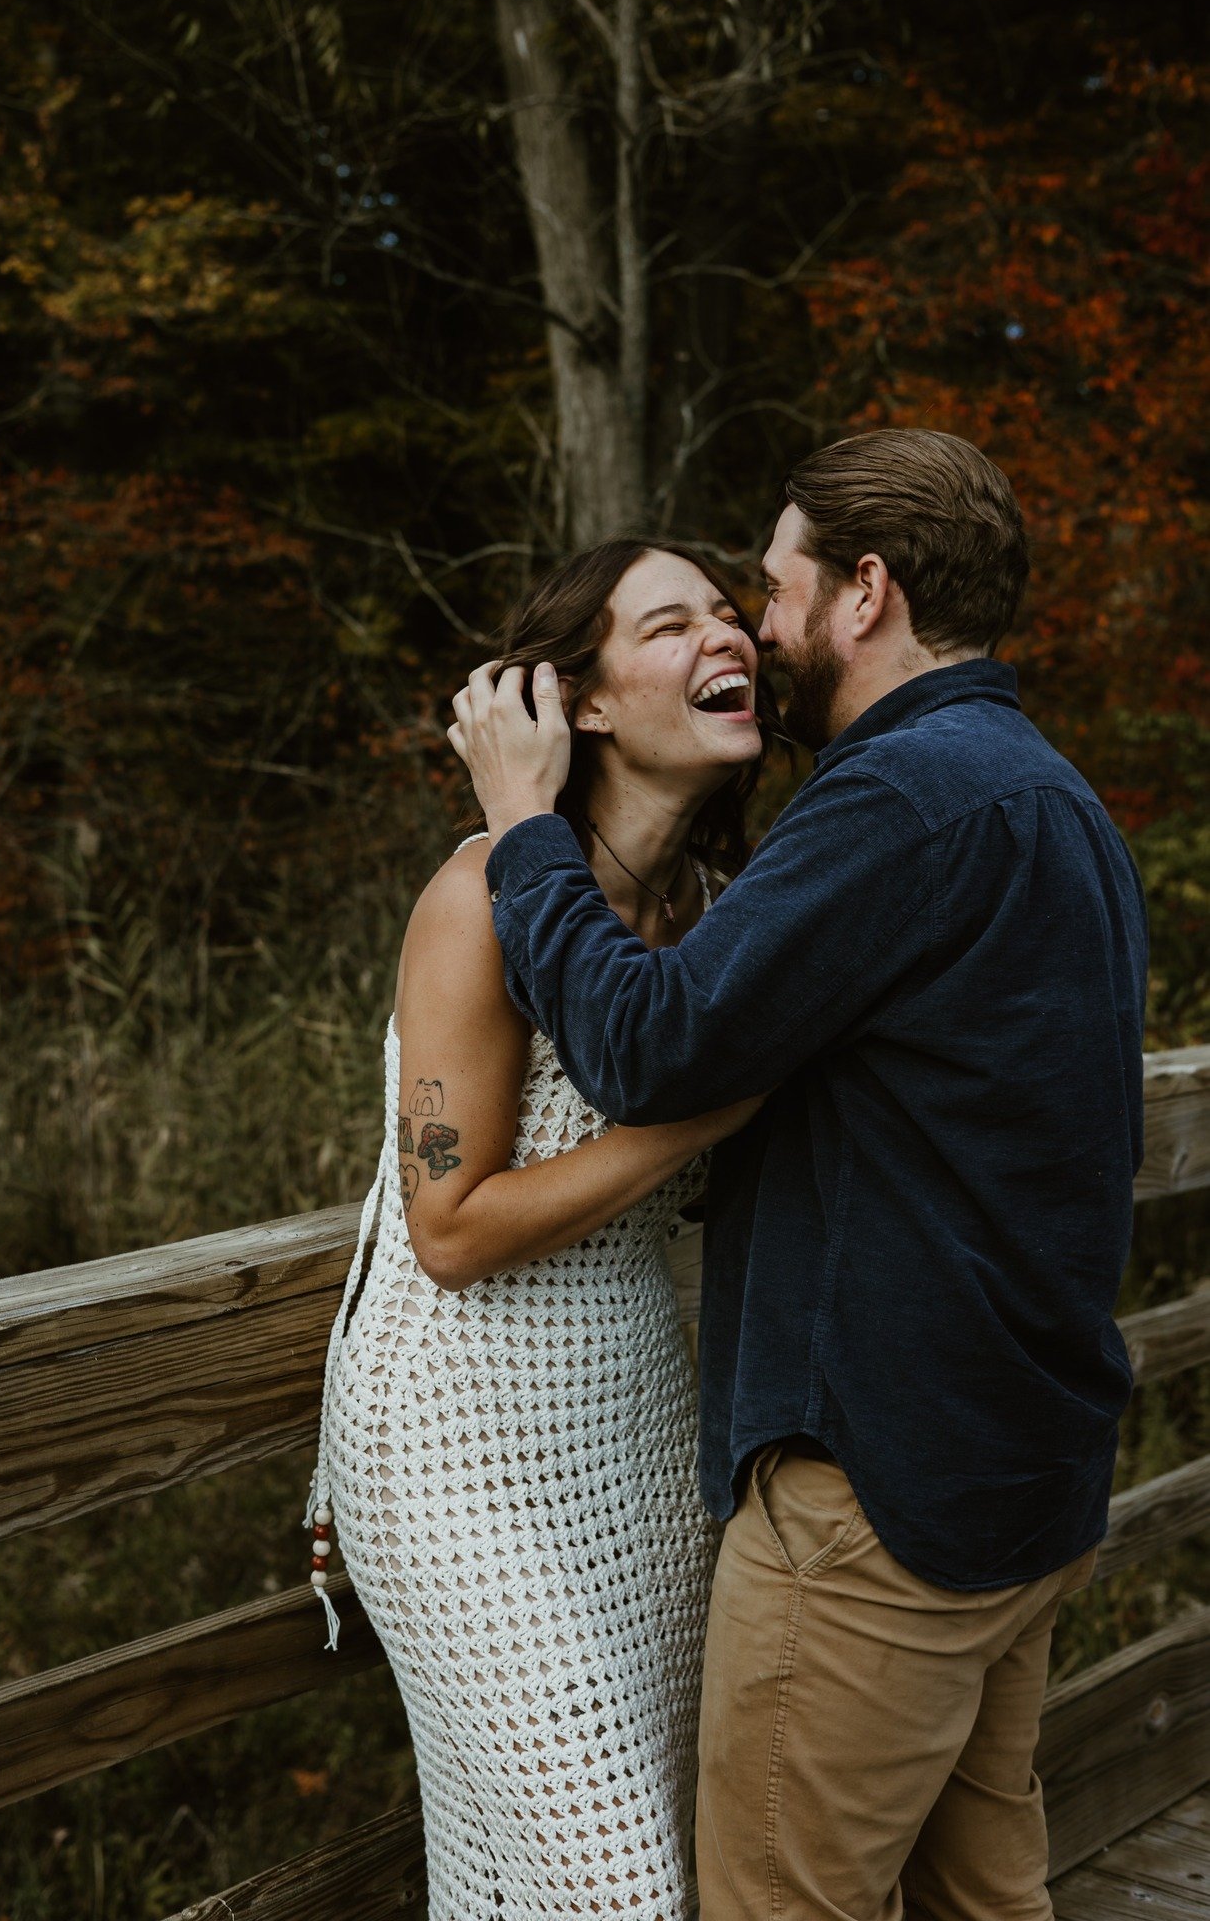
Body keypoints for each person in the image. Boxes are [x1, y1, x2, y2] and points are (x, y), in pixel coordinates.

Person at [449, 428, 1148, 1921]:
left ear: (863, 594)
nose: (755, 633)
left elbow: (649, 1048)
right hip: (1016, 1472)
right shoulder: (1047, 795)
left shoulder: (904, 796)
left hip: (883, 1494)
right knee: (984, 1897)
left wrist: (521, 832)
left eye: (768, 591)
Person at [308, 537, 782, 1919]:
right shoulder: (477, 902)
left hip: (629, 1416)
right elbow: (446, 1228)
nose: (728, 640)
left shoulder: (704, 916)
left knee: (608, 1856)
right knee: (611, 1876)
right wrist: (704, 1115)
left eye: (733, 616)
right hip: (451, 1437)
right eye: (670, 624)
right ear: (577, 702)